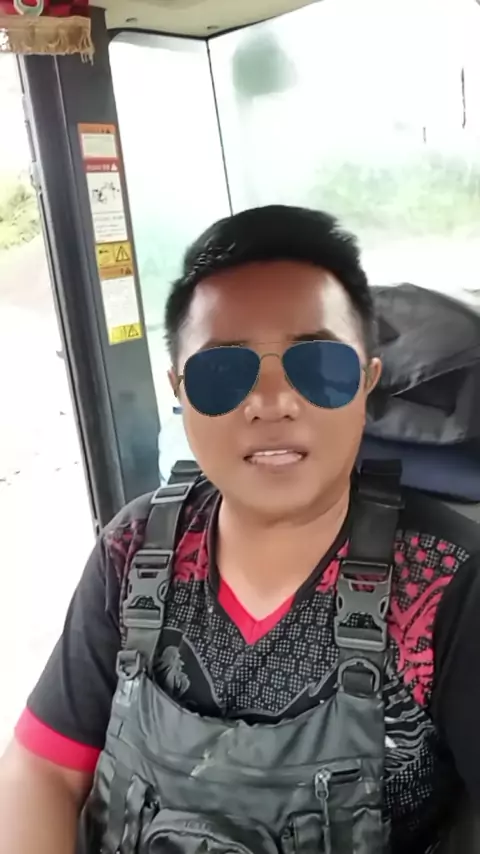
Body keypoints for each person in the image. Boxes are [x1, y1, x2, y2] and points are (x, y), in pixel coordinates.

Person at [1, 204, 480, 854]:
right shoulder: (133, 550)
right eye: (224, 373)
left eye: (318, 367)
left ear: (367, 384)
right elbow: (42, 769)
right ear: (180, 391)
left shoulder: (451, 583)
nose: (272, 401)